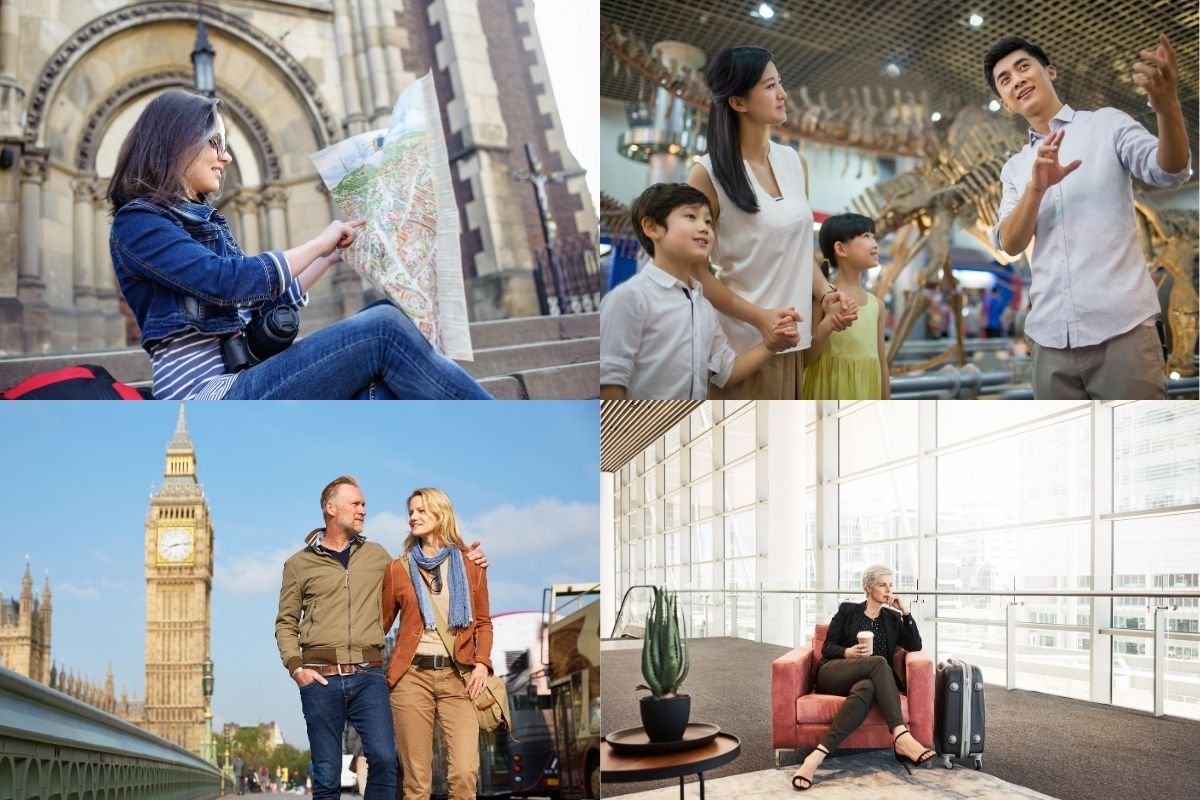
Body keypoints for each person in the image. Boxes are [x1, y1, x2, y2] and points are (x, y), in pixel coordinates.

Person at [106, 90, 491, 400]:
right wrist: (316, 242)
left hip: (242, 379)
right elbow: (226, 281)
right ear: (177, 141)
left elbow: (258, 296)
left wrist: (331, 255)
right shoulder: (138, 223)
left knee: (379, 384)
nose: (225, 157)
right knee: (383, 329)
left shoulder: (203, 221)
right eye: (215, 142)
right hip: (207, 398)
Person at [985, 34, 1191, 399]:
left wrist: (1166, 105)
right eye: (1004, 80)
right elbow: (1010, 243)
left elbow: (1169, 171)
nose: (1016, 79)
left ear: (1050, 70)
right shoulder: (1015, 168)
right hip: (1049, 344)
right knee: (1064, 456)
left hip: (1123, 331)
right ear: (1005, 101)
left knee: (1135, 450)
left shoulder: (1106, 125)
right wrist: (1036, 187)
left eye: (1023, 67)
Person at [275, 476, 488, 800]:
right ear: (331, 509)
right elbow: (286, 622)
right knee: (328, 772)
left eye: (364, 504)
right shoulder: (300, 564)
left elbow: (427, 589)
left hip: (370, 675)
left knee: (388, 761)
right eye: (356, 504)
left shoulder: (378, 557)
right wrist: (296, 667)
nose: (363, 509)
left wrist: (467, 558)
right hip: (322, 677)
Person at [688, 46, 857, 399]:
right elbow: (696, 272)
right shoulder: (706, 174)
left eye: (779, 83)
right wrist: (760, 318)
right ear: (738, 102)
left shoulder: (794, 162)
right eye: (769, 86)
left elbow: (800, 250)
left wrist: (825, 294)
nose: (782, 94)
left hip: (793, 343)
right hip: (743, 346)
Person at [600, 183, 793, 399]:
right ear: (652, 228)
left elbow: (727, 372)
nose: (704, 228)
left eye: (708, 221)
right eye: (691, 217)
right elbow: (609, 381)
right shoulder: (629, 298)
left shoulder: (703, 305)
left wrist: (771, 344)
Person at [381, 487, 492, 800]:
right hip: (411, 679)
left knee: (465, 772)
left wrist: (482, 662)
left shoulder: (471, 565)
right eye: (411, 512)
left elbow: (483, 622)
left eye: (421, 511)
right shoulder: (398, 569)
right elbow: (380, 626)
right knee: (417, 781)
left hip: (459, 678)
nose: (413, 517)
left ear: (441, 514)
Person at [791, 564, 935, 791]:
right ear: (868, 587)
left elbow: (915, 645)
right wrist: (847, 652)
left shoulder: (891, 618)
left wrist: (905, 612)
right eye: (882, 584)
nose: (889, 590)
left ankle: (815, 758)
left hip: (868, 679)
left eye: (891, 585)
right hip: (836, 671)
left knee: (867, 687)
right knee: (879, 662)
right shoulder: (848, 611)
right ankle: (900, 735)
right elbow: (828, 648)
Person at [801, 214, 890, 399]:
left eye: (873, 236)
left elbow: (882, 362)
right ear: (841, 249)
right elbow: (804, 359)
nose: (875, 243)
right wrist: (828, 324)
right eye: (866, 236)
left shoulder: (877, 306)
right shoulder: (823, 298)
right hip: (828, 392)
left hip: (866, 393)